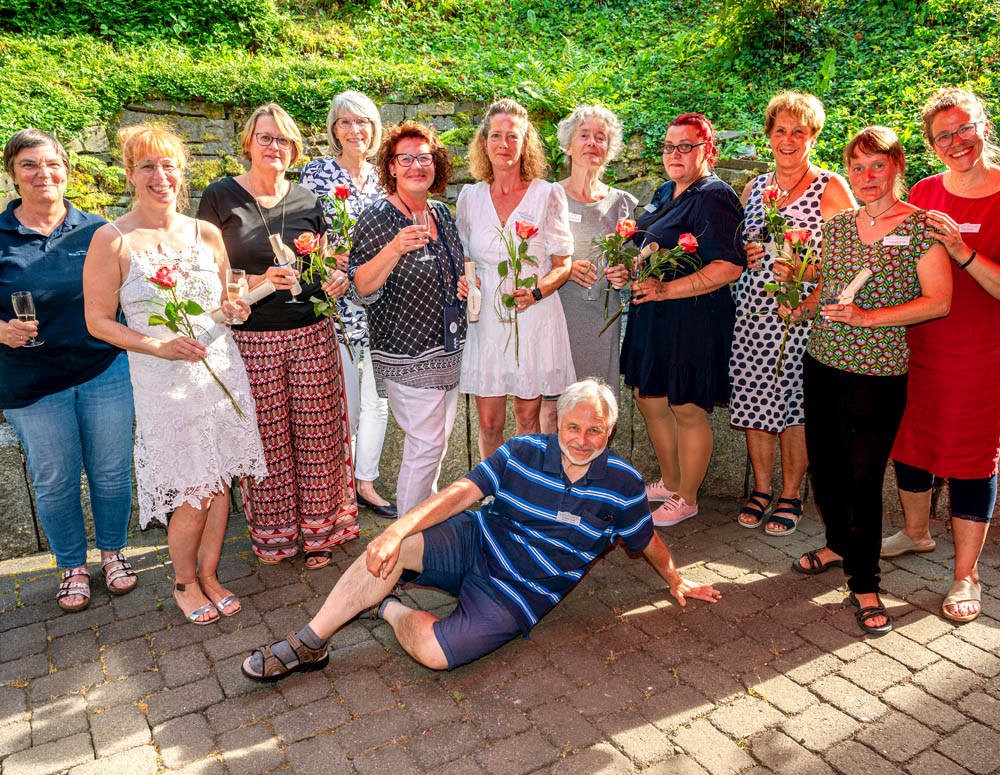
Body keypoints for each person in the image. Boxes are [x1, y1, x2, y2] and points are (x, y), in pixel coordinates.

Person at [240, 378, 721, 679]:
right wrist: (393, 532)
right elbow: (460, 495)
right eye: (573, 427)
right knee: (393, 547)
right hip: (477, 540)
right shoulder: (521, 451)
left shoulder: (623, 484)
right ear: (559, 425)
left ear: (609, 432)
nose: (582, 439)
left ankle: (384, 605)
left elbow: (646, 541)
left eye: (594, 431)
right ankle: (310, 642)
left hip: (522, 590)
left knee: (435, 654)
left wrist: (677, 579)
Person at [84, 123, 268, 624]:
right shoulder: (112, 238)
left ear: (182, 173)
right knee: (193, 488)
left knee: (220, 479)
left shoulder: (205, 232)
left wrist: (236, 308)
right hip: (164, 382)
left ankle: (209, 575)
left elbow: (225, 301)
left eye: (168, 165)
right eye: (147, 165)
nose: (160, 175)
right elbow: (98, 321)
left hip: (220, 372)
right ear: (130, 173)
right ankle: (184, 582)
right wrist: (158, 346)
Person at [791, 126, 951, 636]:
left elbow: (939, 301)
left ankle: (865, 580)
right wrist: (802, 301)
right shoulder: (837, 227)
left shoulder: (922, 227)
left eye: (876, 165)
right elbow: (824, 291)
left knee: (861, 476)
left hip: (877, 372)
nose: (866, 176)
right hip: (821, 360)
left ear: (897, 166)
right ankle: (839, 543)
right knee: (826, 466)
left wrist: (868, 319)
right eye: (856, 167)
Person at [197, 103, 357, 569]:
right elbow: (210, 279)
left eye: (284, 140)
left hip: (310, 331)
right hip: (251, 339)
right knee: (265, 439)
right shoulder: (220, 197)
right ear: (247, 142)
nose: (275, 147)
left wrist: (336, 278)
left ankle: (322, 531)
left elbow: (325, 262)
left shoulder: (307, 198)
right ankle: (275, 536)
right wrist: (259, 282)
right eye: (266, 138)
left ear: (295, 149)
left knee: (319, 435)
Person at [1, 129, 136, 612]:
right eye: (29, 165)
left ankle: (115, 553)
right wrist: (0, 330)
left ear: (66, 170)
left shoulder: (97, 230)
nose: (43, 174)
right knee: (55, 477)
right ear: (13, 174)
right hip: (31, 382)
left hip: (102, 369)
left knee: (112, 471)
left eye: (52, 164)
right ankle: (72, 566)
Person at [884, 88, 1000, 623]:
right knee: (911, 441)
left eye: (964, 128)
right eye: (943, 136)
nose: (957, 142)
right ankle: (915, 532)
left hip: (982, 355)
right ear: (931, 146)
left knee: (973, 458)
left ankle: (966, 573)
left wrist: (963, 252)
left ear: (984, 124)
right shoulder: (927, 192)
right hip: (918, 345)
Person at [731, 92, 855, 535]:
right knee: (753, 399)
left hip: (802, 315)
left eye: (798, 131)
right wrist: (748, 254)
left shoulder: (831, 187)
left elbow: (850, 258)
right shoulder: (755, 188)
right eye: (780, 130)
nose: (788, 139)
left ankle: (790, 494)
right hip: (752, 311)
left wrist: (805, 277)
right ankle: (761, 489)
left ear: (813, 136)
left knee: (795, 407)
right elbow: (742, 248)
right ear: (769, 135)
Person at [621, 113, 746, 527]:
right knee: (648, 396)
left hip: (694, 317)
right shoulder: (664, 191)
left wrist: (666, 289)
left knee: (686, 405)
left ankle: (688, 498)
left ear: (707, 150)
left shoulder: (714, 196)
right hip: (654, 315)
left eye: (686, 146)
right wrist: (627, 270)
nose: (675, 154)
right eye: (669, 147)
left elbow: (728, 266)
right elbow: (645, 247)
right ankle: (672, 480)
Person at [349, 120, 470, 517]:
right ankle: (405, 540)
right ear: (392, 167)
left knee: (434, 444)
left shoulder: (441, 213)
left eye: (425, 157)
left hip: (448, 347)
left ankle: (423, 526)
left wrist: (466, 286)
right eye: (407, 158)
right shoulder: (377, 217)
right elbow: (361, 286)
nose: (417, 165)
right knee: (426, 445)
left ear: (437, 164)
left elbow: (455, 267)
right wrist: (394, 249)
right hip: (405, 351)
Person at [457, 98, 576, 459]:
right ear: (484, 142)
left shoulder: (547, 194)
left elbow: (563, 263)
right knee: (489, 422)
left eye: (513, 136)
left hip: (533, 316)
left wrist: (537, 291)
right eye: (496, 135)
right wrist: (468, 281)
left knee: (527, 417)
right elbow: (464, 255)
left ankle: (528, 489)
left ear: (525, 144)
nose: (504, 144)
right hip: (488, 321)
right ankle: (491, 492)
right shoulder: (469, 197)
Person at [299, 90, 395, 518]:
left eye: (363, 122)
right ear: (333, 129)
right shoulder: (316, 173)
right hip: (337, 301)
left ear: (374, 128)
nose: (355, 130)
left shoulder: (384, 177)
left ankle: (365, 483)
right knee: (345, 400)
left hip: (380, 300)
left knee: (379, 398)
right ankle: (338, 486)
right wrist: (323, 270)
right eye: (345, 122)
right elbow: (299, 236)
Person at [537, 106, 636, 433]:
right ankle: (549, 478)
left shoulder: (624, 204)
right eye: (584, 135)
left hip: (599, 325)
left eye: (601, 137)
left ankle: (587, 481)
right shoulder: (547, 196)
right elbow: (527, 260)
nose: (593, 143)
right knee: (551, 410)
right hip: (555, 317)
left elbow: (633, 266)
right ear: (568, 144)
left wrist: (625, 275)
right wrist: (564, 269)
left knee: (595, 408)